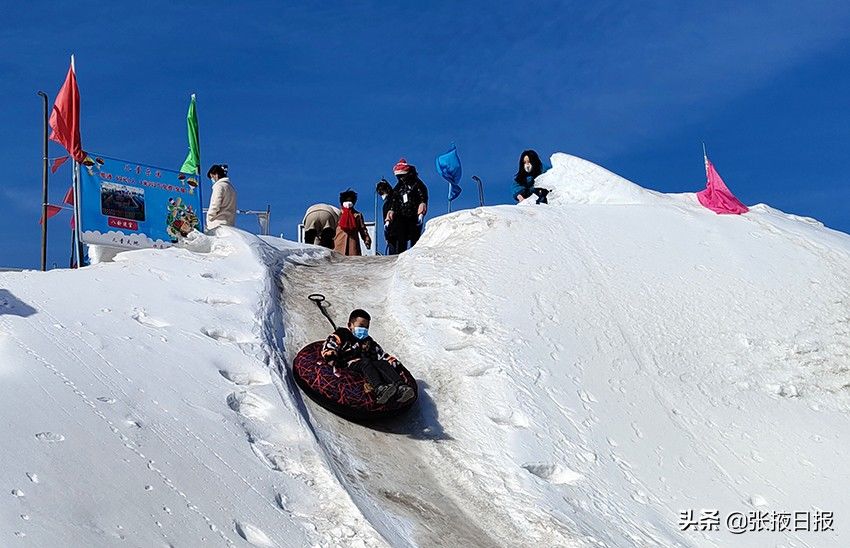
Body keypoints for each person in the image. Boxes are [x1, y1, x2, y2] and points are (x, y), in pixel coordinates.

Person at [321, 309, 415, 404]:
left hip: (367, 364)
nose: (364, 330)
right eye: (361, 326)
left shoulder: (368, 341)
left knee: (381, 363)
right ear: (350, 325)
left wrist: (393, 363)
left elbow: (381, 354)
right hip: (349, 364)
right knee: (366, 362)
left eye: (366, 327)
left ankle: (401, 387)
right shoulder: (342, 335)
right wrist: (331, 355)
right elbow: (330, 345)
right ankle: (379, 389)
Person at [387, 158, 428, 252]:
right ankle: (401, 255)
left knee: (415, 236)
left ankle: (414, 253)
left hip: (413, 214)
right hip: (400, 215)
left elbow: (423, 196)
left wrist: (421, 211)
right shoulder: (398, 187)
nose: (400, 178)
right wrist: (391, 211)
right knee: (401, 237)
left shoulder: (416, 184)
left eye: (402, 176)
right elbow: (394, 200)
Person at [333, 189, 371, 256]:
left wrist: (367, 239)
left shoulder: (357, 215)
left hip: (353, 246)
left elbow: (362, 229)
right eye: (346, 200)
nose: (348, 202)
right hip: (338, 245)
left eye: (350, 201)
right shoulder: (337, 213)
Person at [206, 164, 237, 229]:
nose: (212, 179)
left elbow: (215, 204)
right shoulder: (231, 188)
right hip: (230, 224)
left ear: (216, 175)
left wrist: (209, 217)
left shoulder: (219, 186)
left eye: (212, 177)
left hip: (217, 224)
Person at [376, 179, 397, 255]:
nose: (382, 195)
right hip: (390, 233)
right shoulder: (385, 205)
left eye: (382, 192)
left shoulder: (395, 200)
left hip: (397, 230)